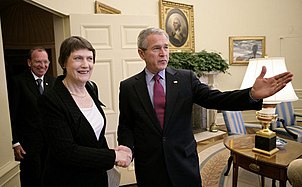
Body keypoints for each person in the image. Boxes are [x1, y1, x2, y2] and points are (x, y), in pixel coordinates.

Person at [117, 27, 293, 187]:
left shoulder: (186, 78)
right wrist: (126, 148)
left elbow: (217, 99)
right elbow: (126, 124)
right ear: (141, 53)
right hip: (149, 165)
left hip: (183, 162)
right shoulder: (129, 87)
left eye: (166, 47)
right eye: (156, 48)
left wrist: (251, 94)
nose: (163, 53)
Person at [37, 36, 132, 187]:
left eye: (90, 58)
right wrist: (112, 156)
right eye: (78, 58)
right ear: (63, 62)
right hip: (68, 180)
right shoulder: (51, 100)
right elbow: (66, 152)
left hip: (96, 177)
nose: (85, 65)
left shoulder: (91, 87)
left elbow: (95, 136)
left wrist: (113, 151)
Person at [8, 47, 56, 187]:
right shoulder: (17, 82)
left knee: (50, 178)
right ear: (29, 63)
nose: (42, 65)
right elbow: (11, 114)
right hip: (28, 145)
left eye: (45, 61)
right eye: (38, 61)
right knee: (33, 180)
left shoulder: (53, 82)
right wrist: (15, 142)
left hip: (50, 144)